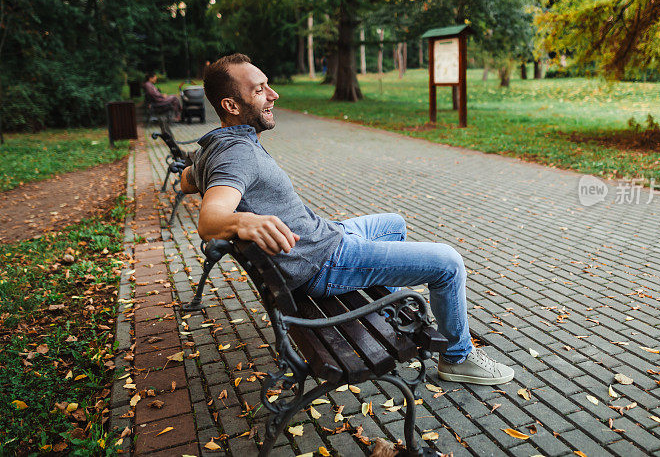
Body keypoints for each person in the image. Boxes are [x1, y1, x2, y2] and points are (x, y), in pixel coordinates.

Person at [180, 53, 514, 385]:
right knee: (449, 263)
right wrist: (243, 222)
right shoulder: (236, 154)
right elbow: (211, 219)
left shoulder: (218, 146)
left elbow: (187, 180)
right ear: (231, 106)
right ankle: (457, 357)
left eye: (268, 85)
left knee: (393, 223)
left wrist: (201, 177)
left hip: (324, 237)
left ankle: (392, 310)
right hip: (322, 262)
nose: (273, 95)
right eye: (259, 90)